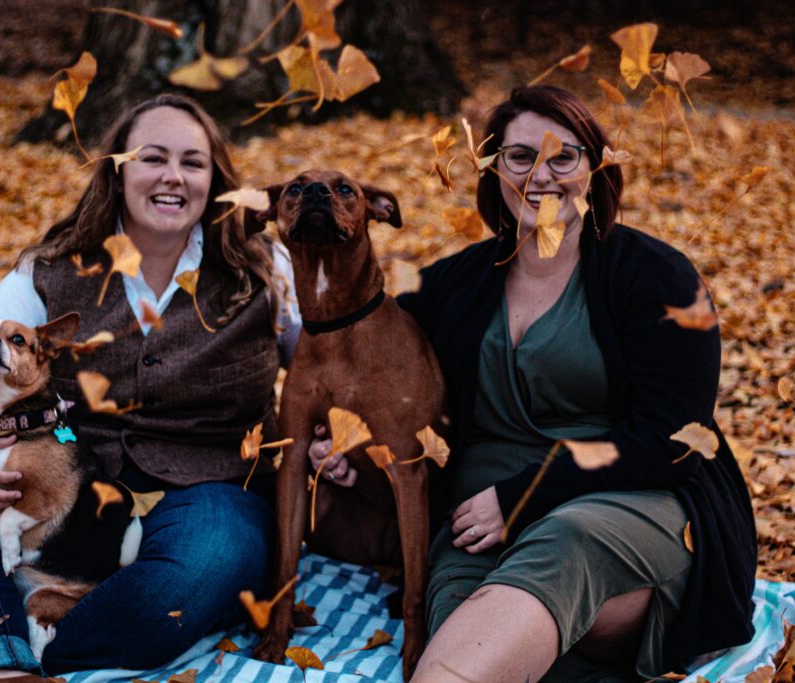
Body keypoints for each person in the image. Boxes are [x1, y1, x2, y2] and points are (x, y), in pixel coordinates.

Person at [309, 85, 757, 682]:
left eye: (562, 157)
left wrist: (523, 496)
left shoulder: (657, 278)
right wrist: (344, 441)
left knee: (565, 544)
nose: (540, 175)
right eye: (519, 157)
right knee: (467, 621)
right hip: (476, 527)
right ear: (494, 170)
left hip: (630, 506)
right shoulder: (453, 286)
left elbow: (676, 440)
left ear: (593, 169)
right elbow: (362, 349)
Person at [0, 93, 300, 683]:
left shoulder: (263, 268)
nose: (173, 176)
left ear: (214, 179)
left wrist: (326, 440)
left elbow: (324, 368)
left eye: (193, 162)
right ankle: (11, 668)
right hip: (63, 494)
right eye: (152, 157)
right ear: (118, 170)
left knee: (198, 565)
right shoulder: (52, 268)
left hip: (208, 492)